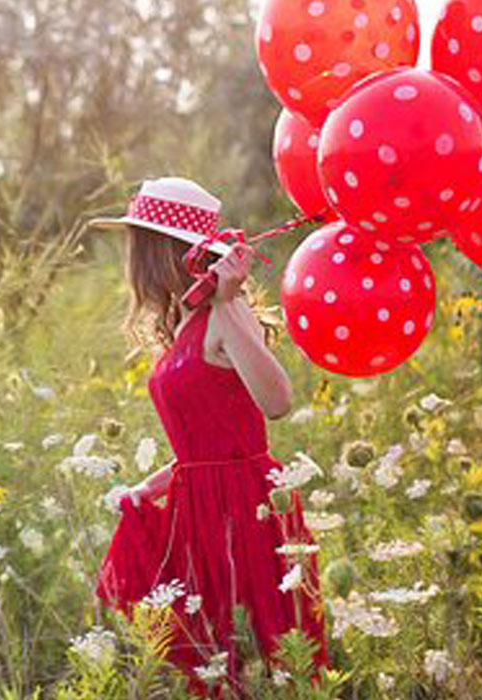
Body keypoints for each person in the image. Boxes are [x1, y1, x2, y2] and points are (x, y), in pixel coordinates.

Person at [88, 177, 328, 698]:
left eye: (139, 246)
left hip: (244, 507)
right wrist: (151, 486)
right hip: (198, 506)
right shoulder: (187, 321)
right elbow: (203, 440)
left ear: (161, 251)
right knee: (216, 655)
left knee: (262, 650)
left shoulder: (224, 313)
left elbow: (278, 402)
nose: (132, 262)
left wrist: (228, 300)